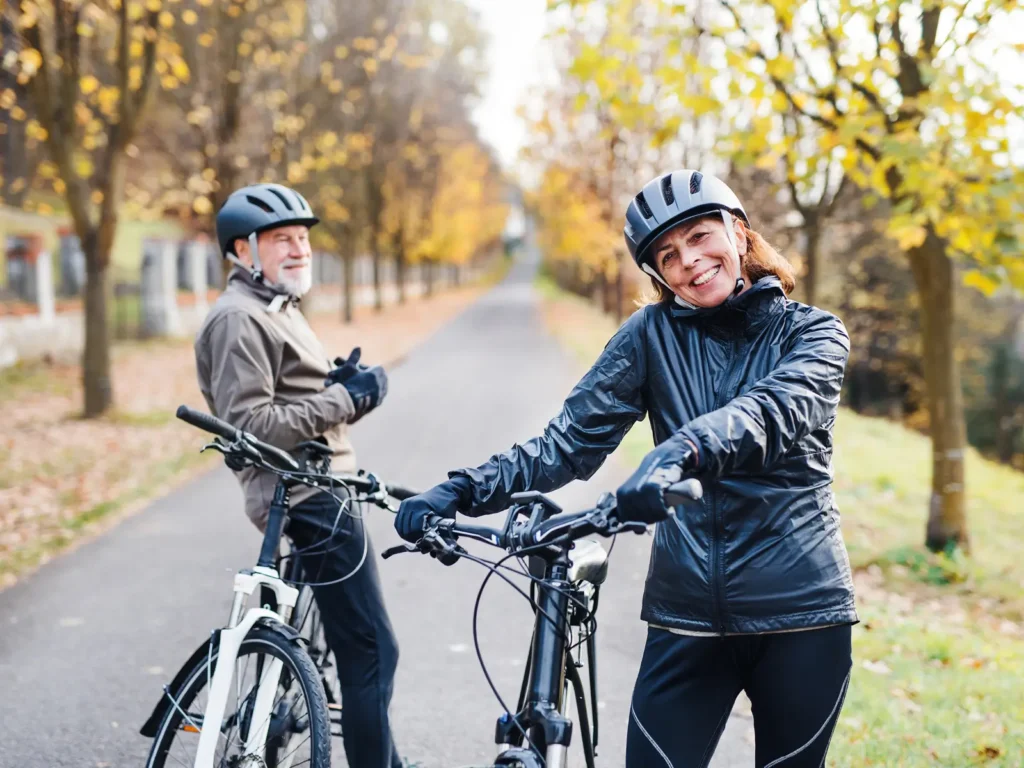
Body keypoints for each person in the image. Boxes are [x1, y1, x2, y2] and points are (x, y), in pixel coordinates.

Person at [394, 170, 857, 767]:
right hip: (686, 616)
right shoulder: (649, 336)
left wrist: (675, 455)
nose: (689, 260)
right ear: (657, 274)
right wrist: (461, 489)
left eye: (698, 236)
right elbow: (566, 445)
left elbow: (768, 415)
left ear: (738, 234)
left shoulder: (814, 333)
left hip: (801, 614)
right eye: (668, 254)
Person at [194, 183, 404, 768]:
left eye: (304, 239)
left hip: (320, 485)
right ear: (243, 250)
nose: (299, 249)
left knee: (351, 645)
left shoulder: (273, 308)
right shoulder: (239, 318)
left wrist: (338, 384)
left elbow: (288, 394)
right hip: (306, 494)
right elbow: (252, 424)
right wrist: (343, 398)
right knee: (371, 651)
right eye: (282, 239)